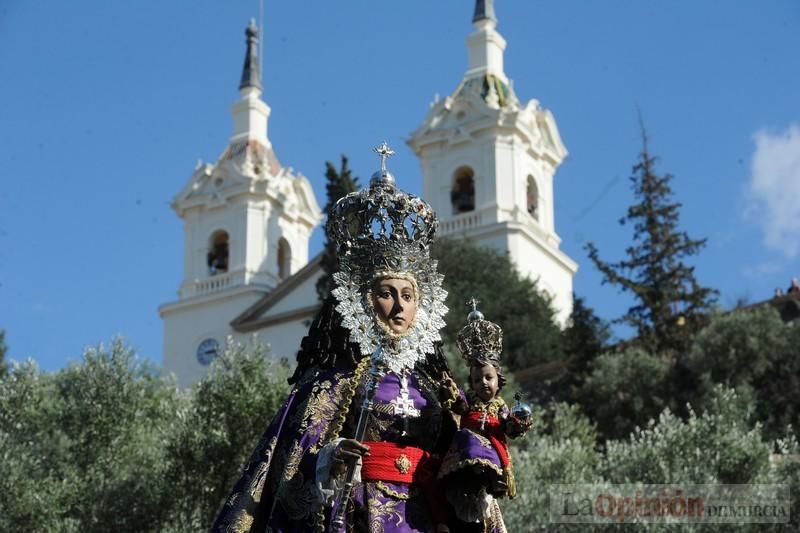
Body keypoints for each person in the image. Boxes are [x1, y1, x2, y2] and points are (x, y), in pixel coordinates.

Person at [213, 143, 457, 532]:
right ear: (361, 300)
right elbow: (294, 460)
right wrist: (330, 457)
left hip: (428, 516)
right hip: (360, 513)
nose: (398, 307)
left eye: (408, 296)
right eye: (386, 293)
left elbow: (457, 454)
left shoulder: (438, 388)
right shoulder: (333, 383)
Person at [437, 300, 532, 532]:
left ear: (498, 379)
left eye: (488, 378)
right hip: (465, 454)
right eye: (477, 379)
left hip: (492, 455)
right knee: (467, 438)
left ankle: (491, 480)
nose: (483, 383)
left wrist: (518, 422)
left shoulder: (501, 408)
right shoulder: (469, 402)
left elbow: (510, 427)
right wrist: (450, 391)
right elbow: (457, 403)